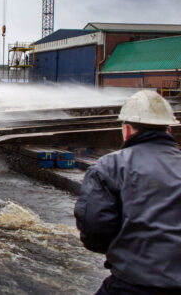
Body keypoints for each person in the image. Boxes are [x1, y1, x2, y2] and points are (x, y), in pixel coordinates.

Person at [75, 90, 181, 294]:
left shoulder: (110, 167)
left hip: (132, 285)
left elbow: (94, 230)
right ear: (168, 130)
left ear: (126, 130)